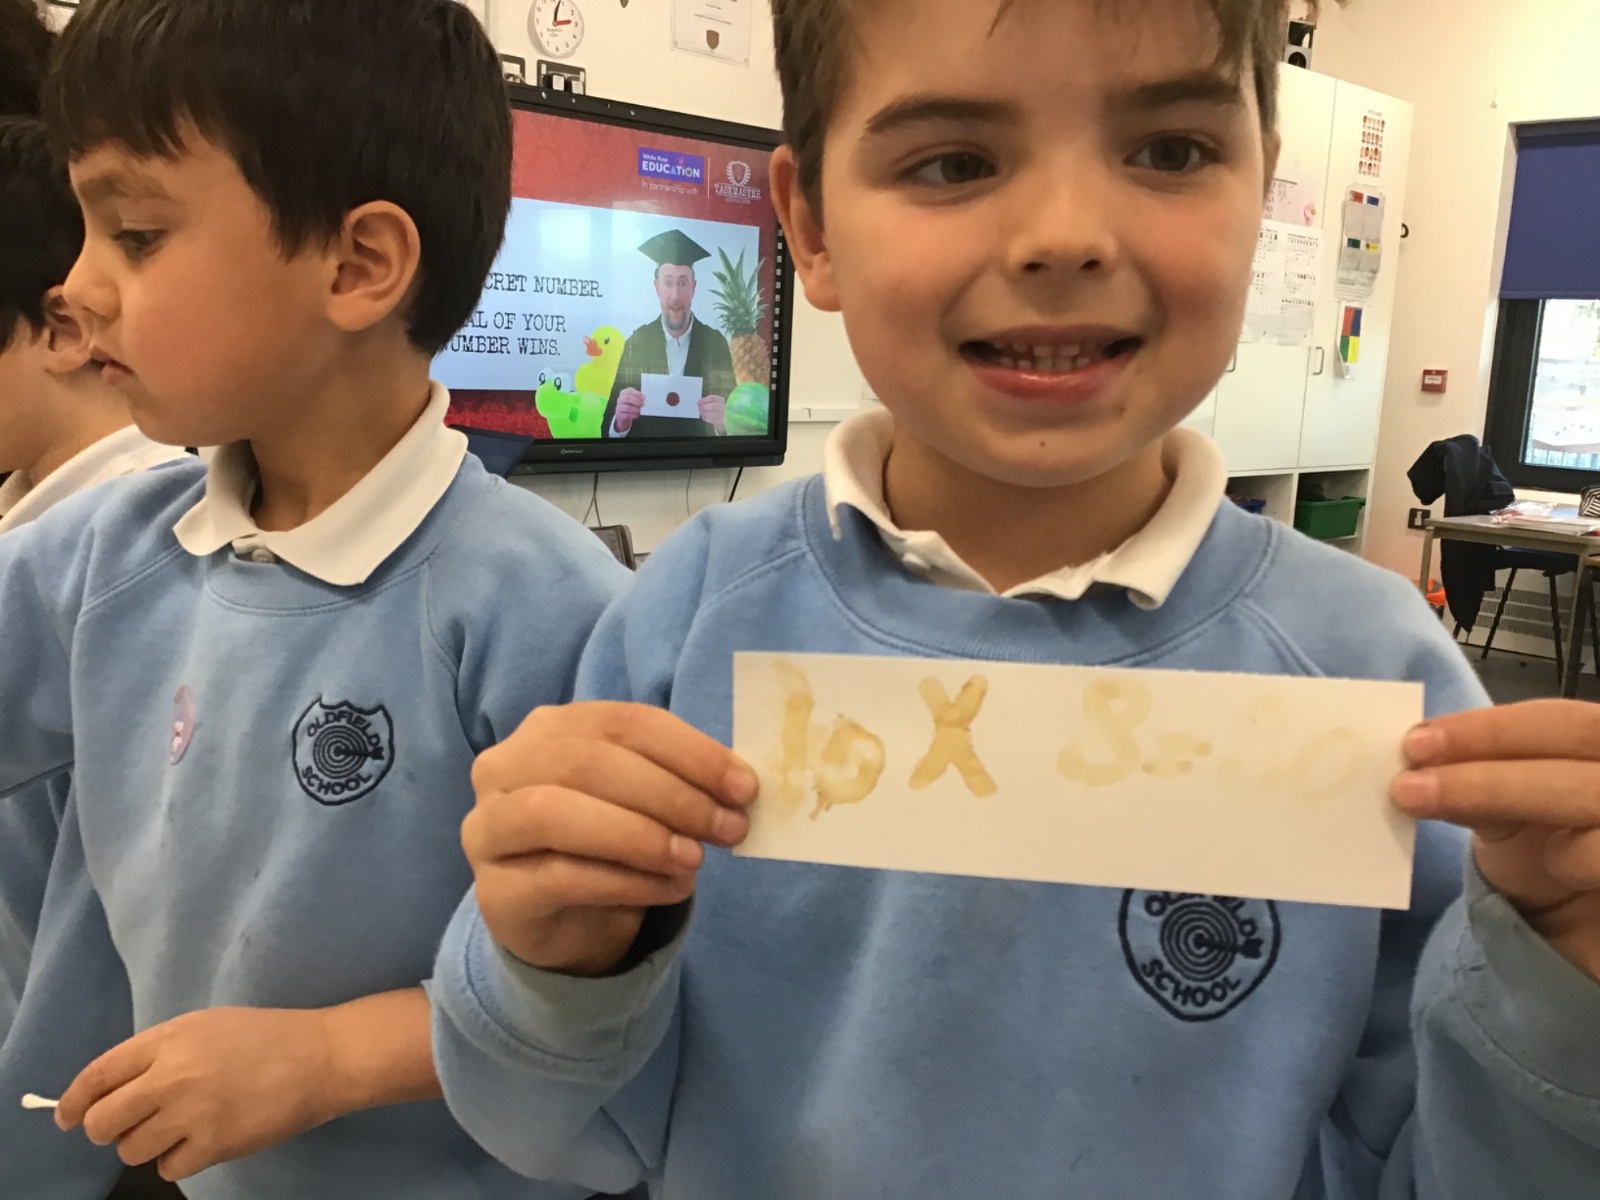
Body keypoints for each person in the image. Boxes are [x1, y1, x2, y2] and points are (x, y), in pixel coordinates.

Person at [431, 0, 1600, 1197]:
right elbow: (562, 1137)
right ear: (811, 228)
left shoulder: (1378, 680)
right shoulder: (688, 618)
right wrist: (549, 967)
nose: (1063, 237)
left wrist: (1563, 986)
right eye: (953, 163)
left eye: (1170, 150)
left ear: (1261, 190)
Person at [0, 0, 626, 1195]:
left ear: (358, 265)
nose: (75, 285)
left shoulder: (539, 609)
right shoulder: (104, 555)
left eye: (136, 234)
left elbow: (607, 996)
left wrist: (330, 1057)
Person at [602, 231, 737, 440]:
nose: (675, 296)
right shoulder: (637, 343)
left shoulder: (715, 344)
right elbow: (608, 429)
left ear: (693, 287)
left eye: (683, 283)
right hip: (645, 458)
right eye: (667, 283)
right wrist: (620, 423)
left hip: (702, 458)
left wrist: (724, 424)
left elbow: (737, 429)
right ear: (657, 287)